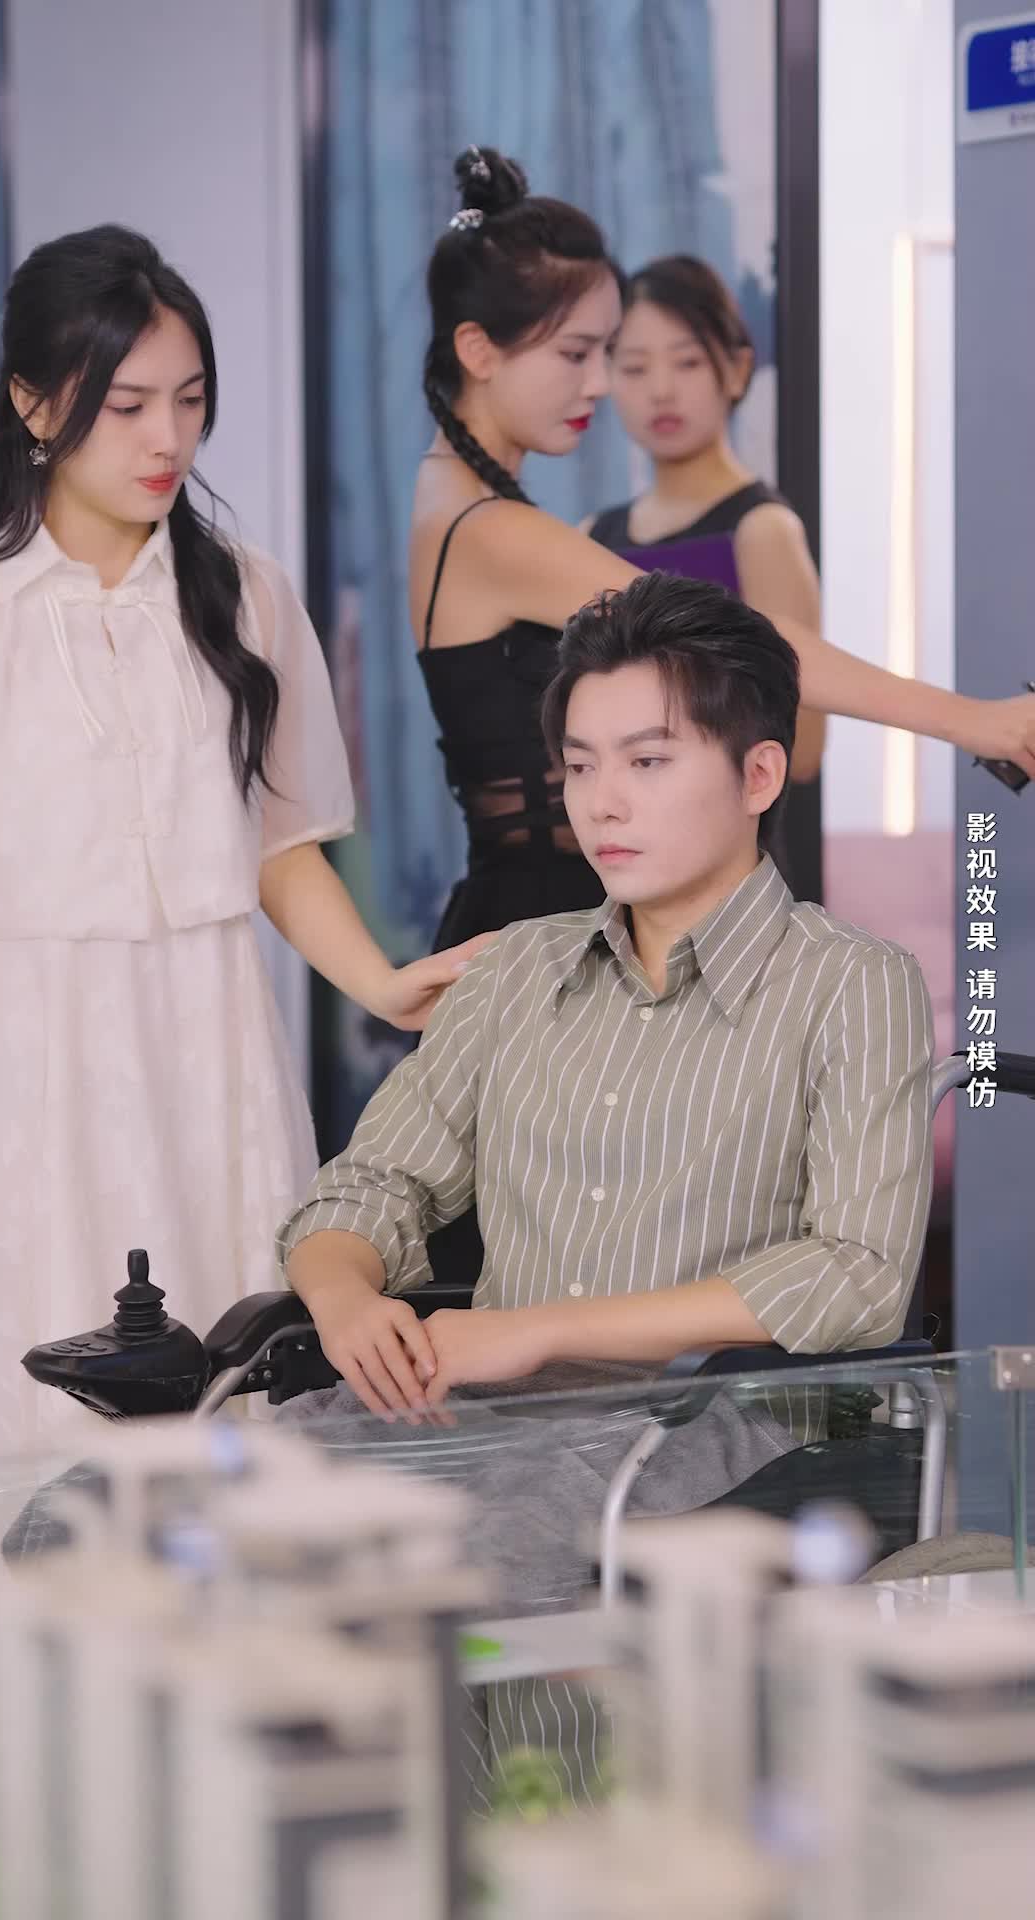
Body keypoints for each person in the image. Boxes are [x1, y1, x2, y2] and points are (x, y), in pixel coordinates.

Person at [280, 569, 935, 1805]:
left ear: (757, 775)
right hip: (465, 1418)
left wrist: (537, 1333)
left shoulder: (853, 984)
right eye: (581, 766)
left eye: (647, 761)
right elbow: (369, 1185)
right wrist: (345, 1299)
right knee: (128, 1531)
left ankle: (512, 1854)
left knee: (431, 1582)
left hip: (710, 1429)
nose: (602, 803)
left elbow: (855, 1273)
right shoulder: (516, 971)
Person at [410, 142, 1033, 1291]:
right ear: (480, 351)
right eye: (582, 354)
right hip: (548, 920)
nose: (606, 387)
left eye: (618, 355)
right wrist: (979, 723)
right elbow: (750, 646)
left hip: (566, 909)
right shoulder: (494, 531)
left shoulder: (476, 505)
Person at [0, 225, 483, 1459]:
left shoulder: (244, 592)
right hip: (29, 1060)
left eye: (189, 401)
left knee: (235, 1391)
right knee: (35, 1407)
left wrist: (383, 983)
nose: (169, 439)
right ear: (33, 402)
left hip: (215, 1042)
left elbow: (279, 849)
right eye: (127, 404)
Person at [586, 251, 826, 786]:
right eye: (635, 367)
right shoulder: (591, 536)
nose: (661, 390)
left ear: (737, 370)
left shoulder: (761, 532)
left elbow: (804, 747)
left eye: (687, 362)